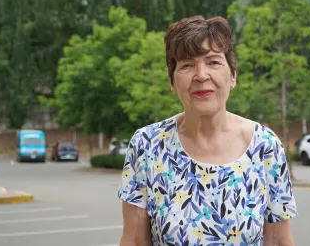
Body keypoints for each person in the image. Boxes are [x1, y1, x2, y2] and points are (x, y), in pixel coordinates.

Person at [117, 16, 298, 245]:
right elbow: (134, 241)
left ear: (233, 75)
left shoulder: (265, 147)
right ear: (172, 82)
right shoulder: (147, 145)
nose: (202, 75)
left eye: (213, 62)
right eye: (187, 65)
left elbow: (279, 242)